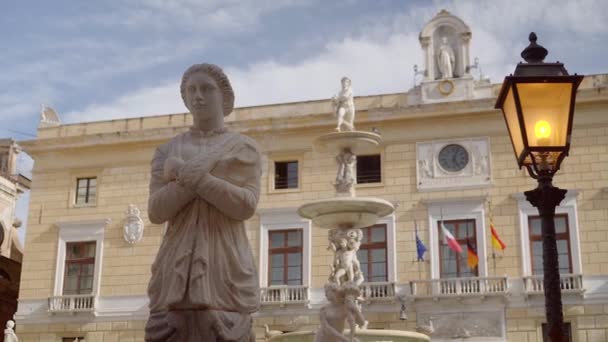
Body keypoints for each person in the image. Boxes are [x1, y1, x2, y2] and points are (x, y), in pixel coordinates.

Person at [144, 63, 262, 342]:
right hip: (175, 267)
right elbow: (156, 211)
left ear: (224, 96)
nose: (197, 96)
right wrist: (198, 180)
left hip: (226, 264)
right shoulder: (167, 150)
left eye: (206, 89)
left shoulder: (244, 148)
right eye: (191, 90)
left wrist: (188, 176)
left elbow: (246, 205)